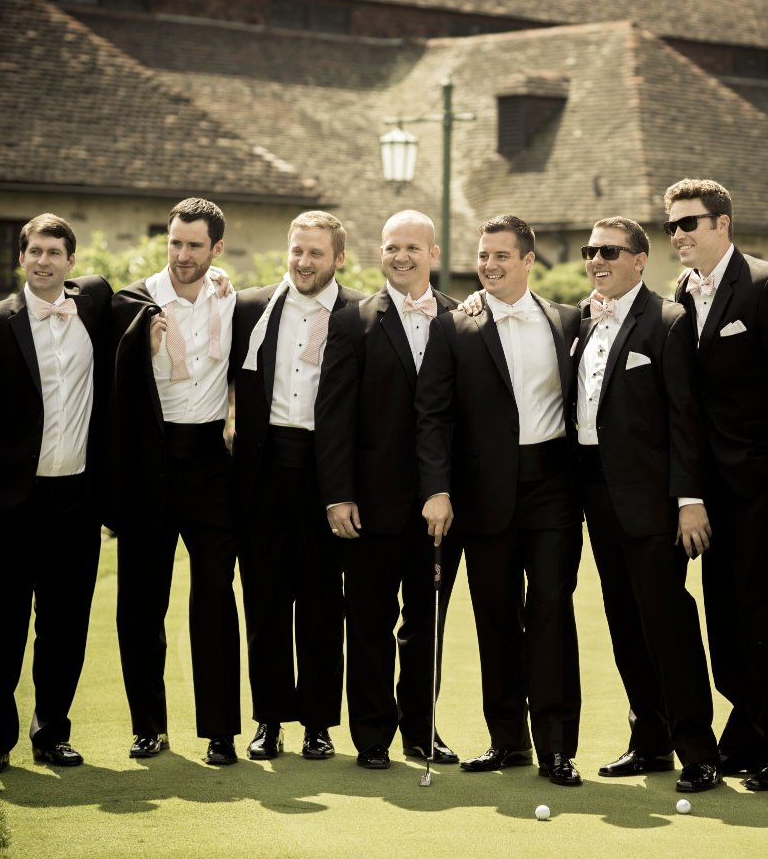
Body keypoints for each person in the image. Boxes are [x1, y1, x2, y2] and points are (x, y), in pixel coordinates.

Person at [415, 215, 584, 787]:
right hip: (482, 494)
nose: (488, 265)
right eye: (483, 255)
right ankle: (507, 741)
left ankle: (557, 748)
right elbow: (432, 415)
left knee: (552, 612)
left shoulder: (567, 320)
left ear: (528, 260)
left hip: (553, 488)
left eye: (501, 256)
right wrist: (437, 489)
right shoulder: (452, 327)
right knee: (495, 618)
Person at [664, 178, 768, 788]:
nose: (678, 234)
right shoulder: (681, 290)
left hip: (761, 489)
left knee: (761, 617)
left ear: (722, 223)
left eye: (689, 223)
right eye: (672, 225)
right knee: (724, 623)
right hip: (707, 493)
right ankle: (750, 732)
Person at [0, 213, 111, 772]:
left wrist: (216, 280)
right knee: (2, 625)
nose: (43, 261)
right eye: (34, 251)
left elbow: (143, 295)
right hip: (8, 501)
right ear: (21, 258)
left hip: (77, 500)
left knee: (65, 627)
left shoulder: (94, 305)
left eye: (54, 252)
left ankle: (52, 734)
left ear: (71, 262)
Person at [574, 217, 721, 794]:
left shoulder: (669, 320)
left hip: (655, 504)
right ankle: (650, 741)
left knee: (667, 625)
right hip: (595, 495)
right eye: (590, 251)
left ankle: (698, 752)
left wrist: (690, 500)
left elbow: (686, 419)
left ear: (640, 260)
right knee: (623, 623)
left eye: (609, 251)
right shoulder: (581, 319)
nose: (596, 260)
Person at [315, 210, 462, 770]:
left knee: (427, 625)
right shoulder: (351, 322)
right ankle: (372, 735)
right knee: (370, 624)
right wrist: (338, 494)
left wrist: (449, 490)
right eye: (391, 247)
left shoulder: (461, 319)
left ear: (433, 253)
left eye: (412, 247)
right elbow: (333, 416)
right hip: (370, 506)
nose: (401, 256)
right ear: (380, 252)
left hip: (440, 506)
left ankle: (422, 732)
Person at [106, 197, 242, 766]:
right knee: (140, 603)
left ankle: (220, 731)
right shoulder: (132, 303)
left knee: (215, 599)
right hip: (149, 464)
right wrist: (144, 352)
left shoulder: (233, 301)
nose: (182, 255)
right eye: (175, 243)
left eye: (195, 245)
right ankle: (148, 727)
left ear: (216, 249)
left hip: (209, 462)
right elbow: (110, 386)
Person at [229, 211, 366, 761]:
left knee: (321, 604)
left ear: (338, 258)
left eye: (316, 253)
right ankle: (268, 720)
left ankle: (317, 722)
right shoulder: (248, 307)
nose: (304, 262)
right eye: (297, 251)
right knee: (264, 603)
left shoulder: (360, 314)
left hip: (325, 473)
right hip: (261, 472)